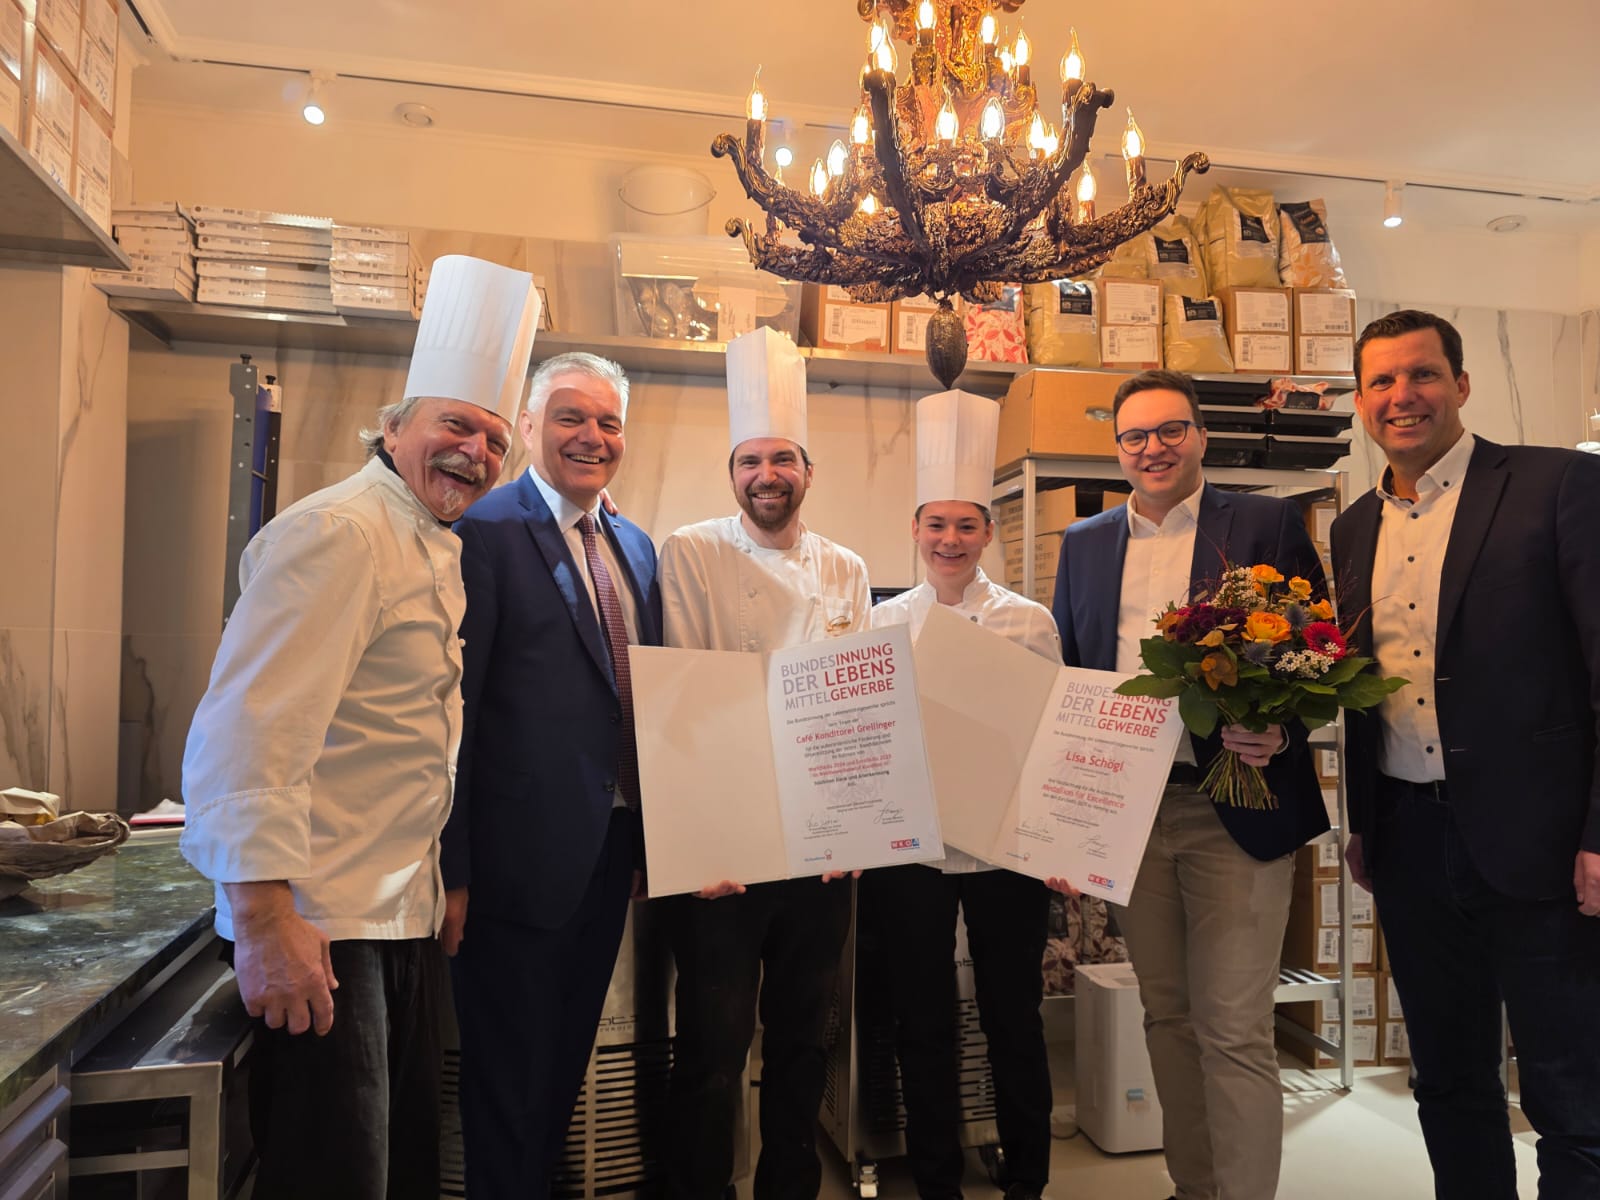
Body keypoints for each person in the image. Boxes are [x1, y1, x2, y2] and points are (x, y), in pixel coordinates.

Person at [180, 255, 539, 1200]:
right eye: (455, 424)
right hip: (321, 921)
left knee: (397, 1168)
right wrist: (262, 918)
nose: (475, 451)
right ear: (393, 427)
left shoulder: (428, 539)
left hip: (393, 917)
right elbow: (249, 731)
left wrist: (435, 891)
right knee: (337, 1177)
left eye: (496, 439)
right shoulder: (339, 533)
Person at [1331, 309, 1600, 1197]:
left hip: (1544, 842)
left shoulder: (1556, 485)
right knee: (1447, 1080)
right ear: (1362, 400)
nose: (1402, 397)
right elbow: (1366, 687)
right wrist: (1365, 821)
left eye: (1422, 375)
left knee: (1572, 1094)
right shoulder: (1354, 527)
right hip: (1409, 839)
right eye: (1381, 381)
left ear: (1462, 383)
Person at [1049, 368, 1327, 1200]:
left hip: (1234, 801)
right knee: (1166, 1016)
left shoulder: (1267, 522)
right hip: (1131, 810)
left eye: (1170, 430)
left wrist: (1283, 726)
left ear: (1202, 435)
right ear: (1117, 449)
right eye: (1135, 436)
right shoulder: (1085, 543)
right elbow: (1074, 677)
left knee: (1235, 1026)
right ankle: (1194, 1188)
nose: (1153, 448)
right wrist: (1070, 821)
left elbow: (1319, 652)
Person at [440, 350, 661, 1196]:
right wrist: (453, 871)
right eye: (570, 416)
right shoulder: (485, 533)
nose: (591, 436)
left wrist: (653, 840)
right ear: (528, 427)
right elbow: (453, 714)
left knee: (563, 1070)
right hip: (510, 866)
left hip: (608, 854)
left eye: (608, 422)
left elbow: (640, 702)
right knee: (507, 1082)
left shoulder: (635, 545)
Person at [657, 325, 870, 1200]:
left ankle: (789, 1189)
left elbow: (858, 704)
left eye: (782, 459)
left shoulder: (847, 568)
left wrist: (855, 824)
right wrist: (709, 839)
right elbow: (691, 697)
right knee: (710, 1049)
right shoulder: (692, 551)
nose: (766, 476)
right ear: (732, 472)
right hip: (724, 853)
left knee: (801, 1041)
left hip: (822, 852)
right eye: (750, 461)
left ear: (808, 471)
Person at [863, 390, 1061, 1200]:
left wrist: (1057, 844)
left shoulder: (1029, 622)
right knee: (924, 1021)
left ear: (988, 532)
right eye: (935, 524)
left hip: (1006, 849)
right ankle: (937, 1182)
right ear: (914, 530)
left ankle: (1030, 1180)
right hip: (910, 851)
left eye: (966, 525)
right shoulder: (880, 624)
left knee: (1014, 1016)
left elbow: (1048, 736)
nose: (950, 540)